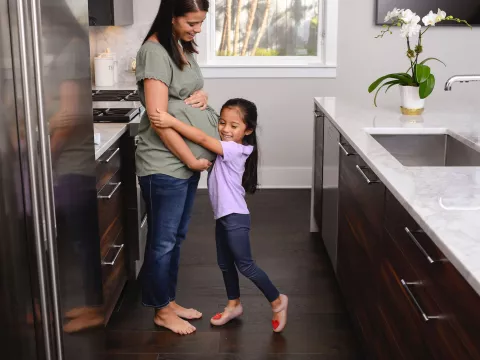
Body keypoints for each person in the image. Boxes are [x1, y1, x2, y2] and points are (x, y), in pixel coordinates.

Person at [151, 98, 289, 333]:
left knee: (245, 265)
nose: (225, 129)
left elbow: (203, 139)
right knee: (225, 264)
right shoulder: (228, 147)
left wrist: (171, 121)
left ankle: (277, 300)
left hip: (235, 216)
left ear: (248, 130)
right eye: (222, 123)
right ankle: (233, 304)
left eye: (234, 126)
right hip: (223, 216)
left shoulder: (237, 149)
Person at [135, 0, 219, 335]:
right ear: (172, 17)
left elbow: (184, 92)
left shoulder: (180, 46)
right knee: (163, 241)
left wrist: (202, 95)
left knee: (176, 237)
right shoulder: (154, 51)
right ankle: (160, 310)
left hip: (185, 162)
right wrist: (190, 158)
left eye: (201, 24)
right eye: (192, 23)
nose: (197, 30)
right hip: (165, 163)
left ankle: (167, 301)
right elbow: (158, 118)